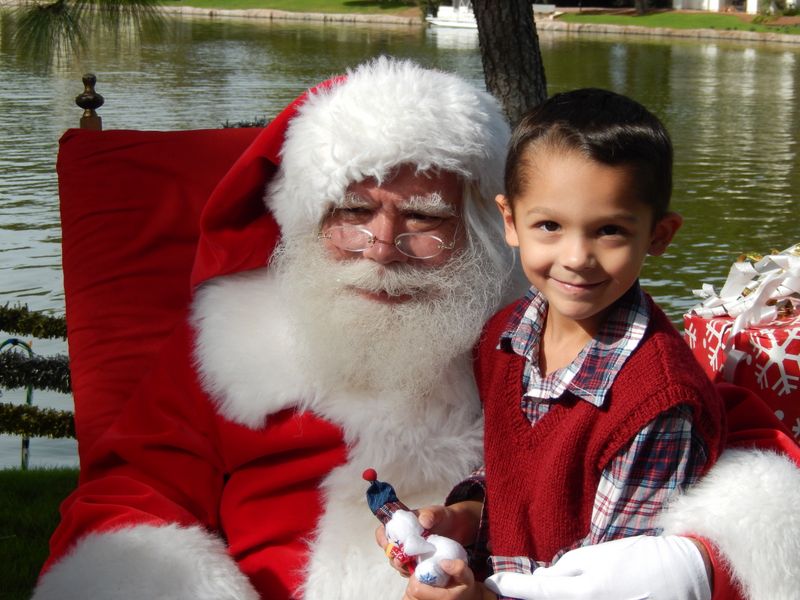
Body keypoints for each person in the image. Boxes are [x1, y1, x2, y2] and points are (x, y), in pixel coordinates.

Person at [34, 58, 799, 600]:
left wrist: (713, 551)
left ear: (479, 227)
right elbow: (135, 485)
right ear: (306, 221)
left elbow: (715, 430)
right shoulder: (234, 341)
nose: (384, 244)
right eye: (353, 212)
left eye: (426, 218)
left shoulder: (534, 327)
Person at [392, 87, 727, 600]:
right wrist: (465, 517)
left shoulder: (657, 404)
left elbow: (622, 582)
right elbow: (512, 471)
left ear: (659, 235)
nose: (576, 257)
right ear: (510, 221)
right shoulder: (505, 335)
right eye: (549, 225)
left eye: (609, 230)